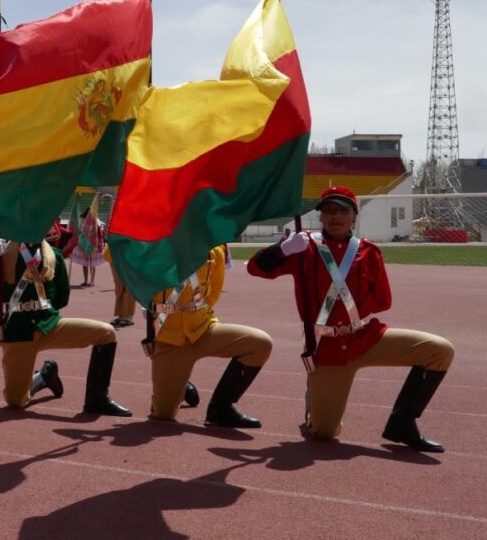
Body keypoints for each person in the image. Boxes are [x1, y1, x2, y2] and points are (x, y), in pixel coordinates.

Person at [248, 186, 455, 452]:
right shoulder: (303, 249)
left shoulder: (369, 251)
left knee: (439, 351)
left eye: (342, 211)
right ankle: (314, 398)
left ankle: (402, 423)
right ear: (321, 217)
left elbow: (384, 301)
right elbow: (255, 268)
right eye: (329, 211)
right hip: (327, 349)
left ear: (354, 216)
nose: (335, 216)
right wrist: (282, 249)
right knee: (324, 432)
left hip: (366, 338)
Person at [0, 238, 132, 416]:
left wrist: (40, 308)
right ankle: (44, 376)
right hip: (19, 332)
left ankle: (97, 399)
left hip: (49, 326)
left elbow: (63, 296)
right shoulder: (4, 251)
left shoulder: (54, 255)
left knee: (106, 333)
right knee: (16, 401)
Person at [147, 245, 272, 427]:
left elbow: (212, 295)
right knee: (163, 414)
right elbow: (119, 260)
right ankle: (180, 381)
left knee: (260, 343)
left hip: (203, 330)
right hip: (169, 339)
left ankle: (220, 409)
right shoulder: (154, 247)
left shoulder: (215, 251)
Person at [70, 208, 105, 286]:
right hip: (84, 244)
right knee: (84, 263)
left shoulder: (96, 219)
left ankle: (92, 281)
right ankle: (85, 281)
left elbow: (99, 230)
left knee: (92, 264)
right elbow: (79, 230)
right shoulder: (82, 220)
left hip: (93, 244)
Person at [105, 245, 136, 328]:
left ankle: (128, 316)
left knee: (129, 287)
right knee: (119, 288)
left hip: (129, 255)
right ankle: (121, 315)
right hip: (113, 255)